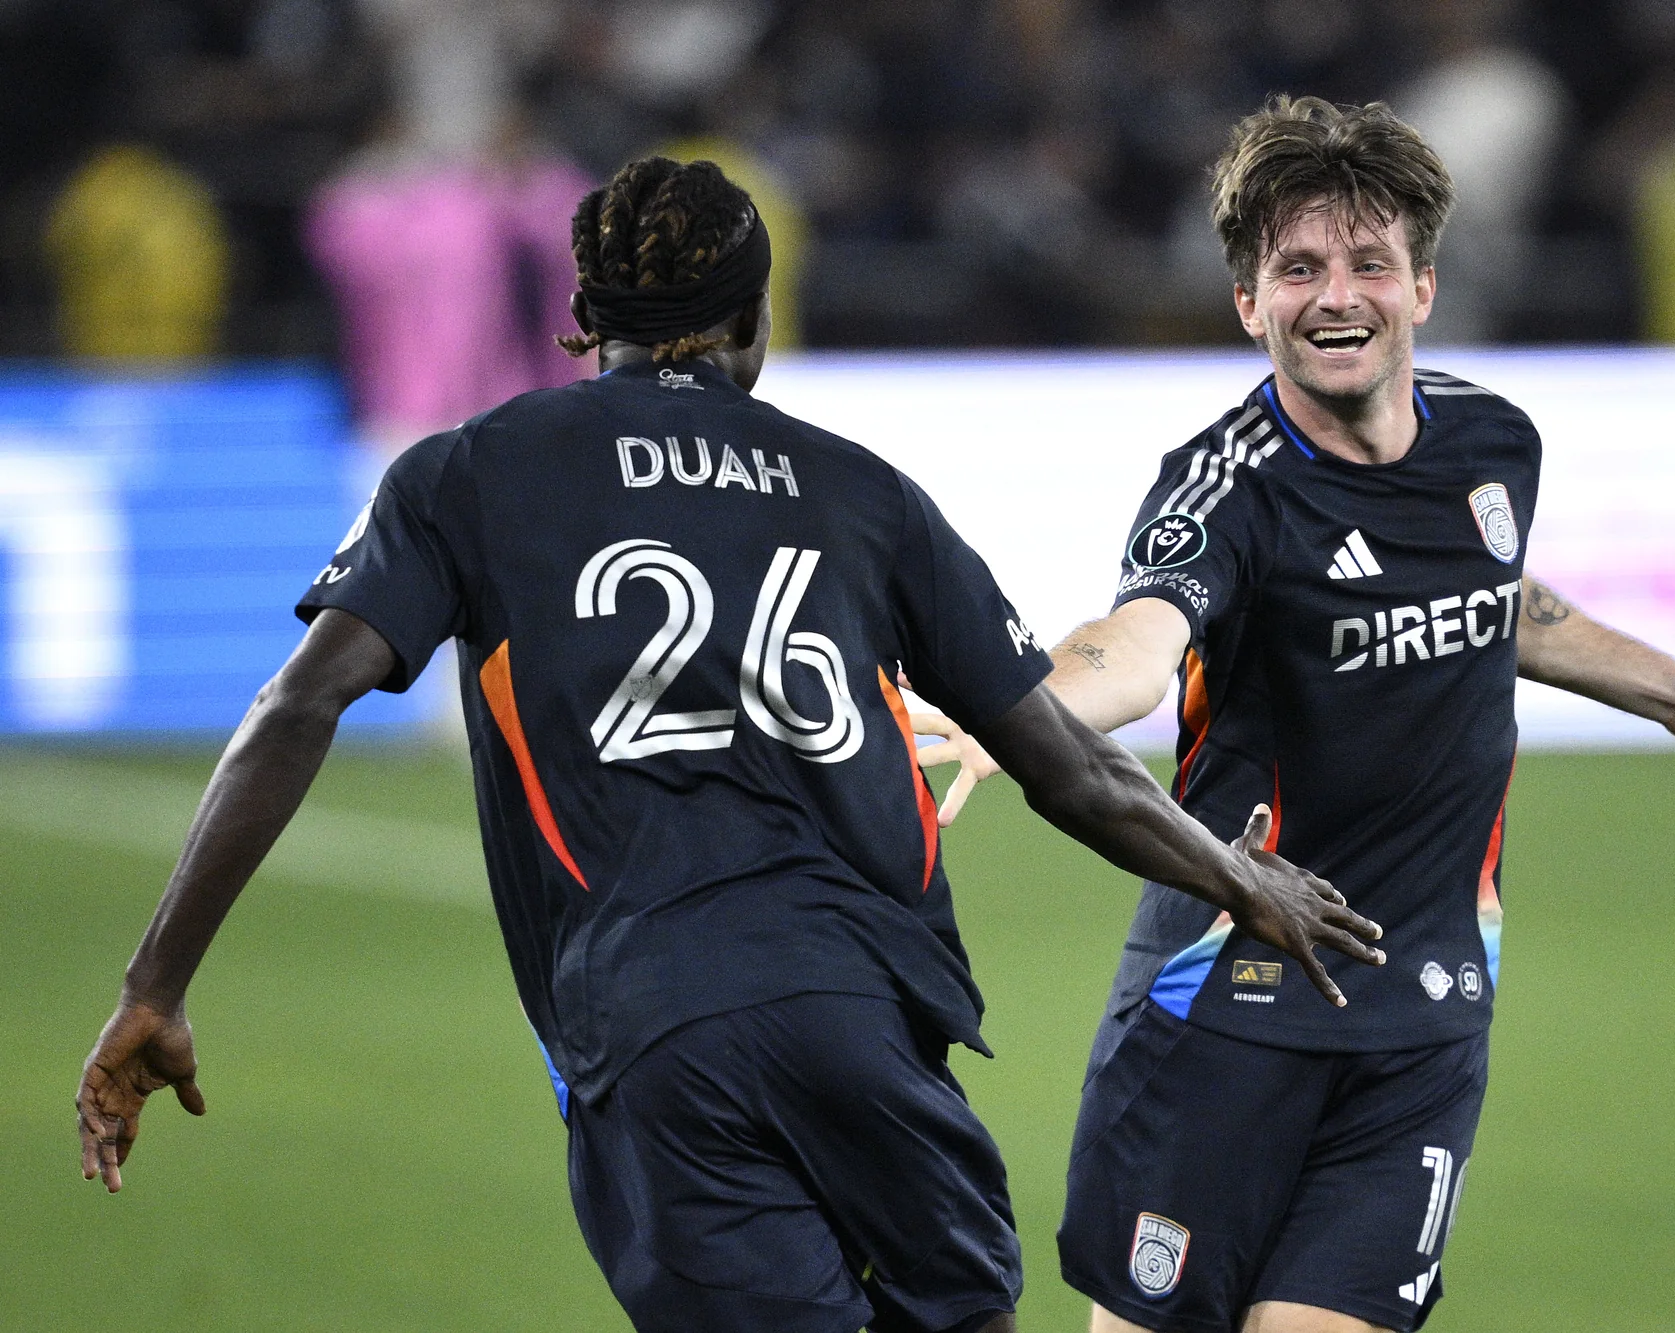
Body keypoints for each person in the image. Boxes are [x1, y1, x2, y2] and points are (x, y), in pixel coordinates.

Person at [73, 157, 1388, 1333]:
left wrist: (155, 984)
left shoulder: (469, 472)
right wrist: (1239, 877)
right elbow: (1065, 762)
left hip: (655, 1028)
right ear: (760, 323)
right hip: (866, 1021)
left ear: (580, 323)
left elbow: (298, 705)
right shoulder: (868, 495)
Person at [912, 97, 1675, 1333]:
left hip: (1426, 1017)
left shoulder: (1490, 444)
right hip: (1227, 1009)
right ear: (1248, 302)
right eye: (1295, 269)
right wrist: (1022, 706)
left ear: (1421, 283)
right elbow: (1135, 646)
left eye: (1366, 262)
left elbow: (1498, 602)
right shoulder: (1223, 494)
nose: (1333, 294)